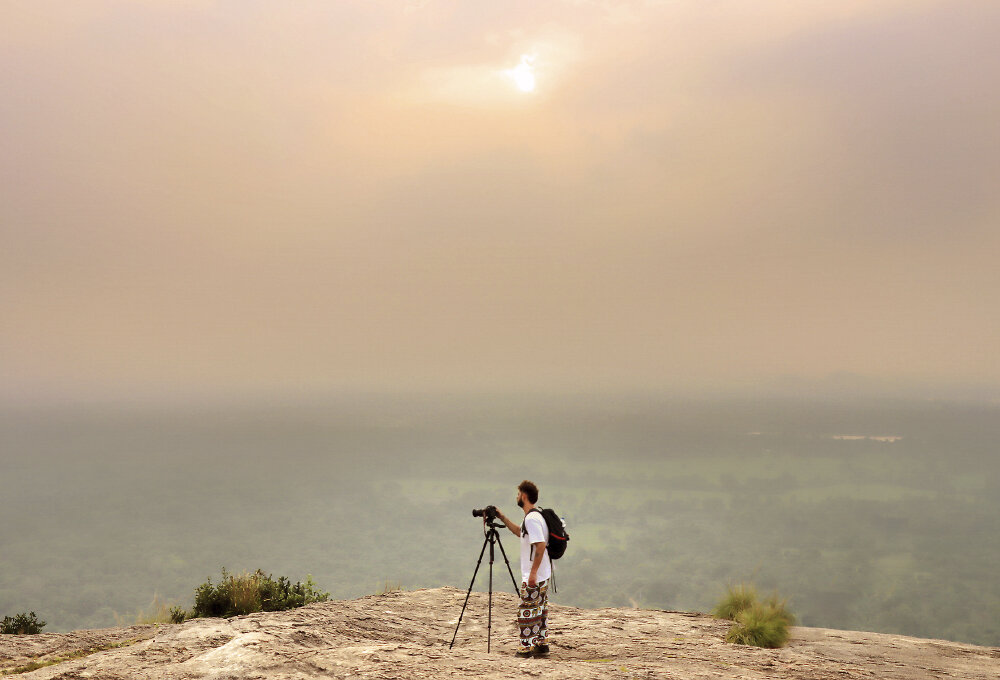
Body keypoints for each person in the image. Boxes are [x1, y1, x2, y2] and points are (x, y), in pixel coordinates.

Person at [494, 480, 551, 657]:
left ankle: (525, 648)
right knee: (539, 609)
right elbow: (520, 532)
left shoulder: (532, 519)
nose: (517, 497)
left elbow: (540, 546)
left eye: (518, 494)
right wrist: (502, 518)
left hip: (536, 574)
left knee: (526, 611)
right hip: (544, 573)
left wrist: (532, 573)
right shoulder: (534, 516)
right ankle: (542, 644)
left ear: (524, 496)